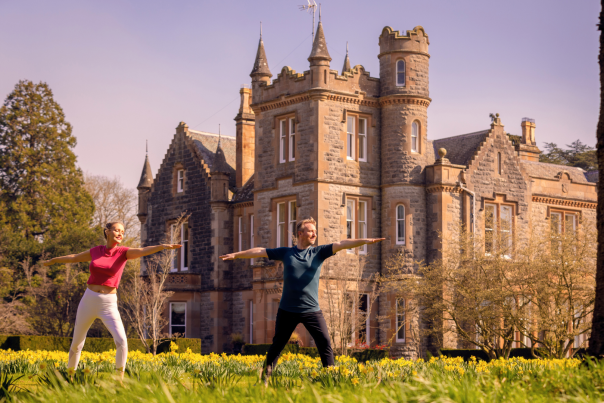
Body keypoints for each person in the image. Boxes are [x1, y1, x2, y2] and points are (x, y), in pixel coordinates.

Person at [220, 217, 384, 384]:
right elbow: (260, 251)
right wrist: (236, 255)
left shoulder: (318, 252)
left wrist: (365, 241)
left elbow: (342, 243)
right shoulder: (286, 253)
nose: (314, 233)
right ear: (300, 233)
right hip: (287, 310)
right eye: (311, 230)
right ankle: (264, 379)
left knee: (325, 342)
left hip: (311, 309)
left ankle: (332, 378)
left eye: (315, 231)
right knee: (277, 345)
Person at [41, 222, 181, 379]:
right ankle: (70, 377)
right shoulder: (96, 251)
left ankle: (119, 380)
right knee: (77, 343)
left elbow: (142, 251)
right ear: (107, 231)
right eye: (116, 230)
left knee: (122, 341)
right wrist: (54, 260)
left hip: (108, 303)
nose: (120, 233)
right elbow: (75, 257)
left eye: (122, 231)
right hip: (88, 300)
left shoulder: (123, 253)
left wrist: (162, 246)